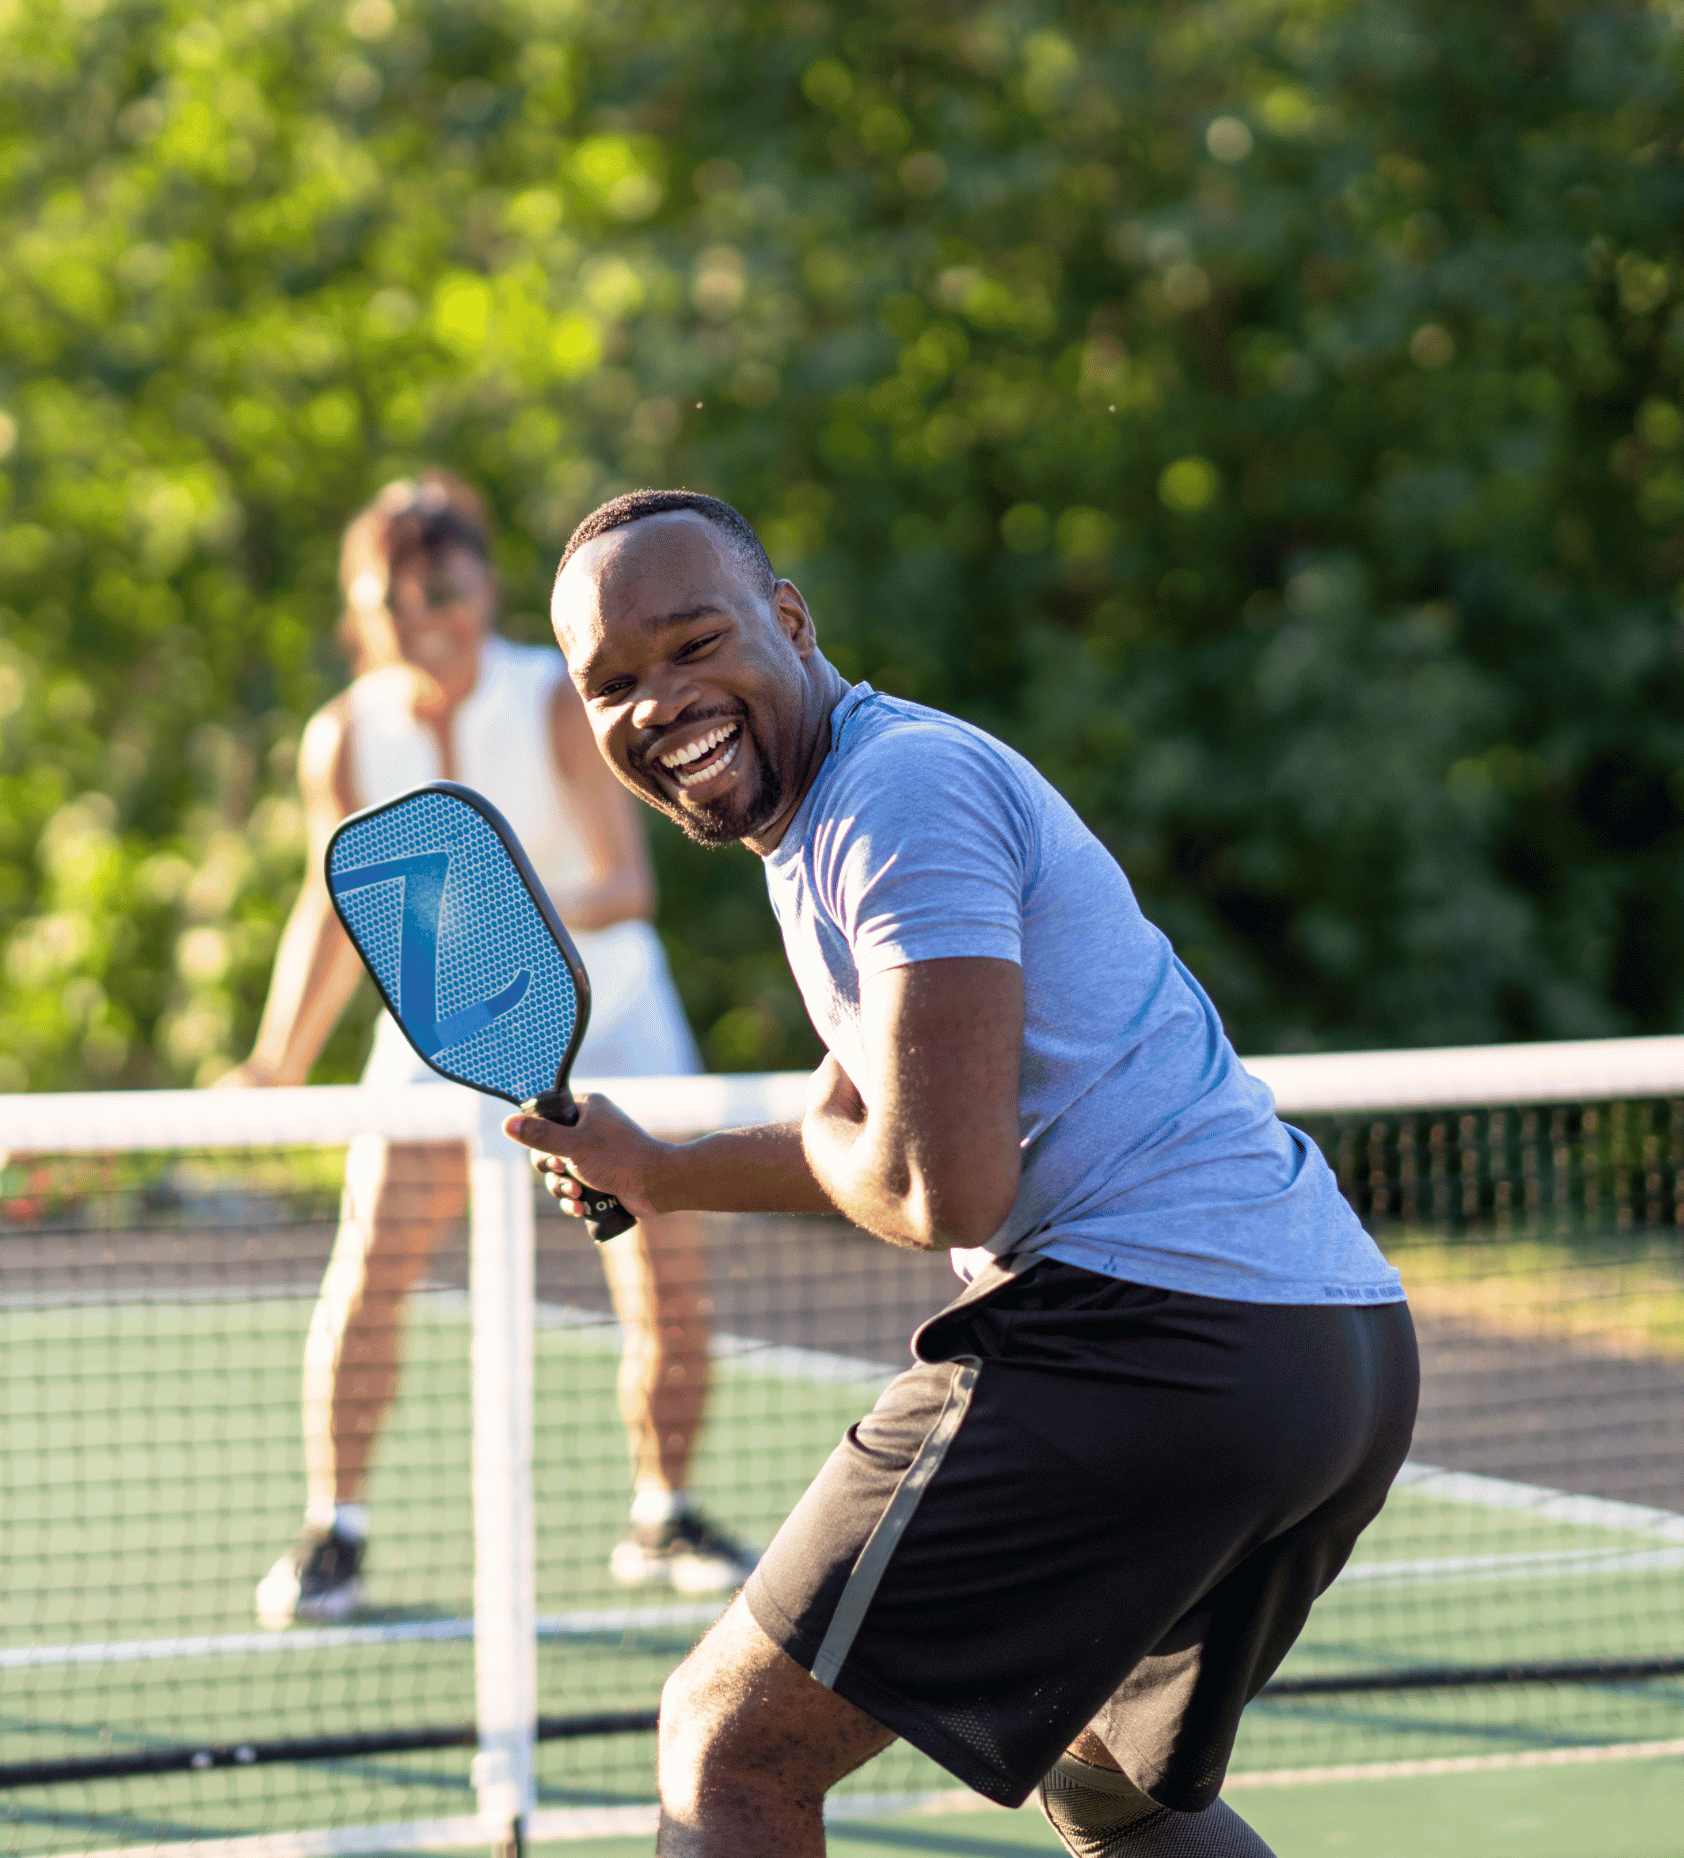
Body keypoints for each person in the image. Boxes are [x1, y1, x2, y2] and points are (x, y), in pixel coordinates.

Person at [514, 489, 1418, 1857]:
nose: (659, 701)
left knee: (726, 1741)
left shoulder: (895, 796)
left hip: (1153, 1338)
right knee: (1105, 1780)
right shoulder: (833, 812)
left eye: (694, 644)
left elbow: (946, 1187)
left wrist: (832, 1143)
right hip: (1328, 1349)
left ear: (793, 620)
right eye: (613, 682)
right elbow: (866, 1114)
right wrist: (662, 1169)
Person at [226, 471, 755, 1627]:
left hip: (608, 1017)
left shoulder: (554, 699)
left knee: (664, 1273)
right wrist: (275, 1060)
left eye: (445, 589)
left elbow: (625, 882)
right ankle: (336, 1529)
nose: (426, 617)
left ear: (482, 587)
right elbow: (332, 909)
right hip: (432, 1039)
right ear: (364, 610)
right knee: (369, 1267)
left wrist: (496, 935)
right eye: (395, 598)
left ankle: (662, 1510)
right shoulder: (342, 736)